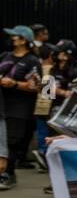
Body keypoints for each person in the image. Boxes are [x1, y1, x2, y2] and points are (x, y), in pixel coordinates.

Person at [0, 26, 42, 188]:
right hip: (2, 104)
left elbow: (36, 86)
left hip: (19, 107)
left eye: (15, 36)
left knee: (12, 141)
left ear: (24, 40)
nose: (12, 39)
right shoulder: (5, 56)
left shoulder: (32, 61)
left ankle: (8, 174)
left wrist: (15, 83)